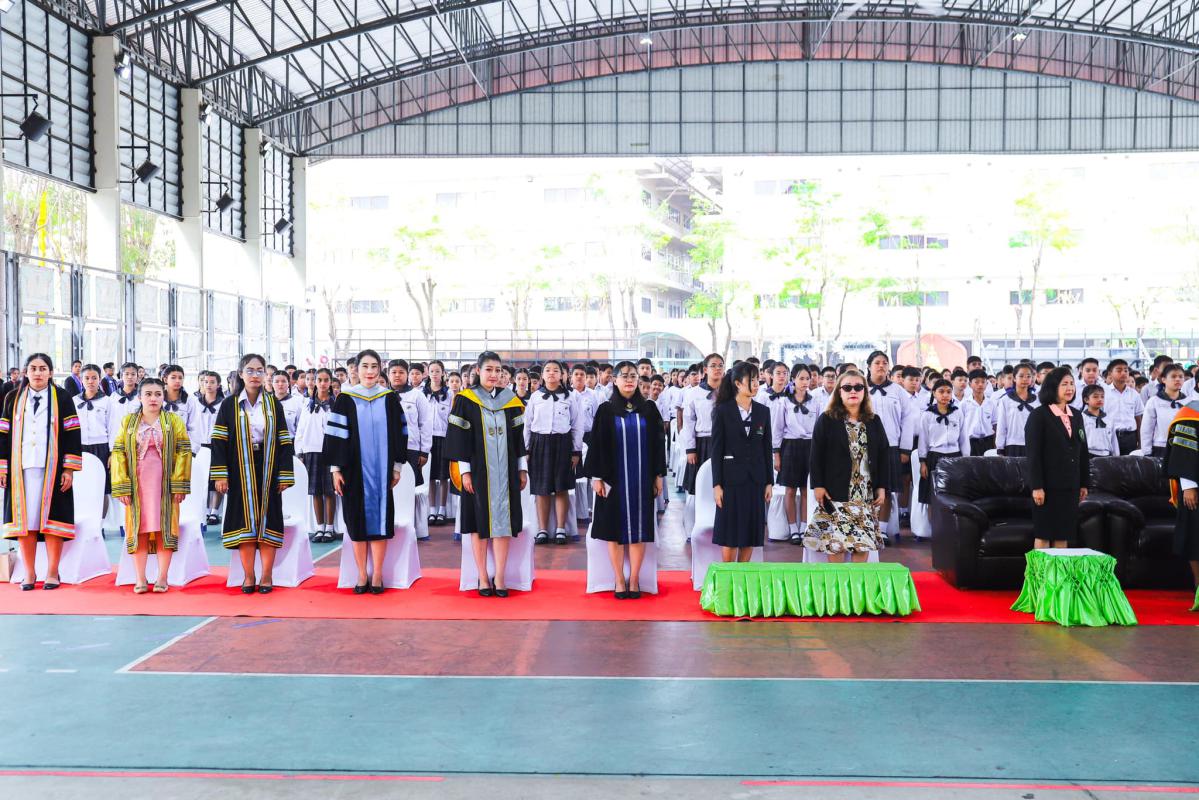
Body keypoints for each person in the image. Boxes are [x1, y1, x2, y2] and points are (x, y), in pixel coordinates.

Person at [445, 351, 528, 598]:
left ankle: (500, 576)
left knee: (504, 524)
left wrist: (522, 468)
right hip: (477, 472)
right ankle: (482, 576)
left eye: (497, 370)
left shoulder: (510, 400)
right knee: (477, 523)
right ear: (478, 371)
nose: (493, 374)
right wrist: (465, 473)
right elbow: (459, 440)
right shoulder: (465, 400)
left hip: (507, 472)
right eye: (488, 369)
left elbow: (518, 440)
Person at [210, 354, 296, 594]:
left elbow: (284, 439)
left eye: (260, 371)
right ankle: (249, 576)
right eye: (250, 370)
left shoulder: (273, 404)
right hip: (239, 467)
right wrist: (220, 474)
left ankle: (267, 575)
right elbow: (219, 441)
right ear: (241, 374)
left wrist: (284, 473)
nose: (255, 375)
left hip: (268, 467)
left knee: (268, 519)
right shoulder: (229, 404)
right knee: (244, 522)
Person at [325, 350, 409, 594]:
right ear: (356, 369)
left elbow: (400, 434)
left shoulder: (389, 399)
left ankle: (378, 574)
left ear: (380, 369)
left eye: (374, 366)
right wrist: (335, 469)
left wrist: (397, 466)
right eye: (365, 366)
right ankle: (362, 574)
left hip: (382, 472)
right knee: (356, 522)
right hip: (353, 471)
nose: (370, 371)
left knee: (381, 524)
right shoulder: (345, 399)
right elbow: (336, 438)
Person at [0, 353, 83, 590]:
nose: (38, 373)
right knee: (26, 523)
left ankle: (52, 572)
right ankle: (29, 572)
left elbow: (72, 432)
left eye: (43, 368)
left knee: (53, 520)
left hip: (53, 470)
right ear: (26, 372)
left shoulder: (62, 397)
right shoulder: (13, 398)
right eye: (33, 368)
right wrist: (2, 467)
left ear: (51, 372)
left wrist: (69, 469)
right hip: (21, 470)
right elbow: (3, 433)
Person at [585, 362, 666, 598]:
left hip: (641, 480)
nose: (629, 380)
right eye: (624, 376)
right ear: (615, 380)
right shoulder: (606, 410)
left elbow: (658, 444)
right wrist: (596, 477)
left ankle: (635, 579)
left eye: (633, 376)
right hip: (613, 480)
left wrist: (658, 475)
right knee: (614, 530)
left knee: (640, 529)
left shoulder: (649, 409)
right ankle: (619, 579)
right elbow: (597, 444)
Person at [109, 378, 192, 594]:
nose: (153, 398)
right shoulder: (128, 422)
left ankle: (162, 577)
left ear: (164, 396)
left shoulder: (173, 421)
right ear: (139, 397)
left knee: (165, 528)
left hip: (165, 484)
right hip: (137, 484)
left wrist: (179, 484)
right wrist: (122, 484)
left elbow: (184, 450)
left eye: (157, 394)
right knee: (139, 528)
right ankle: (140, 578)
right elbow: (118, 452)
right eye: (148, 394)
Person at [804, 370, 889, 562]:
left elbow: (884, 455)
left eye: (858, 387)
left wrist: (882, 486)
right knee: (837, 545)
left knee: (862, 544)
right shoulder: (827, 420)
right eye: (847, 387)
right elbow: (815, 455)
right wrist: (818, 485)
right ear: (839, 392)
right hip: (835, 491)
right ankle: (838, 583)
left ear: (865, 391)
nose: (853, 391)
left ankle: (857, 583)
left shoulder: (874, 421)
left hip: (865, 493)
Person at [710, 362, 773, 563]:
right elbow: (716, 450)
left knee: (750, 532)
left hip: (756, 480)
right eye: (751, 380)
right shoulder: (722, 411)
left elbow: (766, 448)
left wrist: (769, 482)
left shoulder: (763, 411)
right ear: (738, 383)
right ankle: (728, 574)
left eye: (757, 380)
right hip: (730, 480)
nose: (756, 385)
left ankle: (742, 573)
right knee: (730, 533)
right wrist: (717, 485)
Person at [1025, 366, 1089, 550]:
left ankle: (1059, 571)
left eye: (1072, 384)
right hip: (1047, 487)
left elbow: (1082, 451)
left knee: (1063, 534)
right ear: (1053, 387)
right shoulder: (1039, 415)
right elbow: (1033, 454)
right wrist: (1037, 486)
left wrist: (1084, 483)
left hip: (1070, 486)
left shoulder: (1076, 415)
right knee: (1044, 534)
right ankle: (1040, 571)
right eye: (1064, 384)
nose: (1070, 388)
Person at [525, 360, 584, 545]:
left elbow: (577, 425)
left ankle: (560, 529)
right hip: (539, 444)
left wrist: (576, 451)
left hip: (563, 444)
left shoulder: (570, 397)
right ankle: (542, 530)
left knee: (561, 488)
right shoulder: (535, 397)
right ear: (542, 375)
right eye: (548, 370)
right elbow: (527, 424)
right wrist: (526, 449)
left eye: (555, 370)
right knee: (541, 489)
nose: (551, 373)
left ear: (562, 375)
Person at [771, 364, 816, 544]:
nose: (805, 382)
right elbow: (777, 429)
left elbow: (819, 427)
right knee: (790, 490)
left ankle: (804, 528)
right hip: (790, 446)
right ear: (793, 380)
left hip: (810, 446)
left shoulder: (815, 401)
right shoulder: (783, 402)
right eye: (801, 378)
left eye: (807, 379)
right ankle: (793, 529)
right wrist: (776, 454)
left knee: (806, 489)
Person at [1162, 397, 1199, 596]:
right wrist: (1189, 486)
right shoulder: (1191, 413)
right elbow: (1183, 452)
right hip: (1195, 486)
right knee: (1195, 537)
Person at [296, 368, 337, 543]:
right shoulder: (307, 404)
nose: (322, 383)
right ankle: (319, 528)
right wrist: (299, 451)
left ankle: (330, 528)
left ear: (330, 382)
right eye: (319, 380)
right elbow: (301, 429)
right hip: (311, 450)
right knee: (316, 491)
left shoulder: (336, 404)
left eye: (326, 380)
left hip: (330, 451)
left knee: (329, 491)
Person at [915, 380, 970, 506]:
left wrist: (966, 459)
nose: (945, 395)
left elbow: (964, 438)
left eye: (948, 392)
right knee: (933, 496)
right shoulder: (927, 415)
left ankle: (950, 519)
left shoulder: (957, 412)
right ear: (934, 393)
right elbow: (923, 440)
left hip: (955, 456)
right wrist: (922, 462)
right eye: (941, 391)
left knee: (954, 494)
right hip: (934, 457)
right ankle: (934, 519)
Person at [680, 354, 724, 496]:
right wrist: (690, 449)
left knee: (723, 485)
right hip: (702, 442)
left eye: (720, 365)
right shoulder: (694, 393)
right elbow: (688, 422)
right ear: (705, 370)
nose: (717, 369)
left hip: (724, 442)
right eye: (713, 366)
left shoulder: (729, 392)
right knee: (701, 487)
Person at [187, 370, 225, 526]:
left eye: (212, 382)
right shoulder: (194, 402)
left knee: (217, 477)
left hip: (218, 445)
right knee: (200, 479)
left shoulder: (224, 403)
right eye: (205, 381)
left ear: (218, 385)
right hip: (199, 445)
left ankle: (214, 512)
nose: (208, 385)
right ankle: (203, 510)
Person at [74, 365, 113, 508]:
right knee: (82, 486)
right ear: (81, 380)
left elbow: (112, 428)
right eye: (87, 378)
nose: (90, 381)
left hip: (101, 448)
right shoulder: (74, 401)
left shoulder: (107, 401)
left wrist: (112, 452)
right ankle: (85, 518)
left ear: (99, 379)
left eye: (94, 378)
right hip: (80, 448)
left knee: (101, 487)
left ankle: (101, 521)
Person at [423, 360, 454, 527]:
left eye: (437, 371)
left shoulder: (449, 394)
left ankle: (442, 510)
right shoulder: (422, 393)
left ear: (443, 373)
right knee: (429, 475)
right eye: (432, 371)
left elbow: (452, 418)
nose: (434, 374)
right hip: (427, 438)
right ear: (428, 373)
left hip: (443, 438)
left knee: (442, 476)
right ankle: (431, 510)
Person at [1142, 363, 1187, 458]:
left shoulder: (1189, 402)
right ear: (1163, 379)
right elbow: (1147, 429)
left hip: (1184, 447)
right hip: (1161, 448)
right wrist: (1147, 452)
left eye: (1181, 376)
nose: (1178, 379)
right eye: (1173, 376)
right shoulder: (1154, 401)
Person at [994, 363, 1040, 456]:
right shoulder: (1005, 400)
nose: (1025, 379)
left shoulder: (1037, 400)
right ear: (1014, 378)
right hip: (1012, 444)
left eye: (1028, 376)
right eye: (1021, 376)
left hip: (1033, 444)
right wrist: (1000, 447)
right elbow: (1001, 426)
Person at [1104, 359, 1144, 455]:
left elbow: (1138, 419)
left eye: (1126, 370)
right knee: (1110, 463)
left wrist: (1140, 442)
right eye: (1119, 370)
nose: (1123, 373)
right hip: (1110, 436)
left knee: (1130, 463)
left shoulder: (1134, 394)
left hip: (1130, 437)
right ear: (1110, 374)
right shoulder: (1104, 393)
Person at [962, 368, 996, 455]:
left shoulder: (991, 403)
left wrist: (996, 444)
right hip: (970, 442)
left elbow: (995, 424)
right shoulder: (964, 404)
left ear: (987, 384)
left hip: (988, 441)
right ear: (970, 384)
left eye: (983, 382)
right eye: (976, 382)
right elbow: (960, 427)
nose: (980, 384)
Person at [1080, 384, 1119, 457]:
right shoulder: (1081, 418)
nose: (1100, 399)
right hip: (1089, 454)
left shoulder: (1108, 418)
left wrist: (1116, 456)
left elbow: (1113, 440)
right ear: (1086, 400)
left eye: (1102, 397)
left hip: (1107, 455)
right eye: (1095, 397)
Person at [108, 362, 142, 437]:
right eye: (126, 374)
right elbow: (109, 419)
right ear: (121, 376)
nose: (130, 377)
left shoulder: (141, 396)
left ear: (137, 376)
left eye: (133, 374)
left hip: (136, 437)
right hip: (116, 436)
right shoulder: (114, 396)